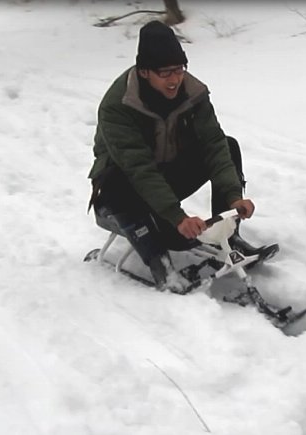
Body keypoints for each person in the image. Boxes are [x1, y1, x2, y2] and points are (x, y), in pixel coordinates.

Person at [87, 20, 265, 288]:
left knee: (228, 146)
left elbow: (213, 144)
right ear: (144, 72)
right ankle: (161, 265)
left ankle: (230, 239)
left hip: (165, 177)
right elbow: (140, 169)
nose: (174, 79)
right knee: (117, 179)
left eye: (179, 70)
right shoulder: (118, 106)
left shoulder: (194, 94)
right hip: (121, 197)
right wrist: (177, 217)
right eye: (165, 73)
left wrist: (233, 196)